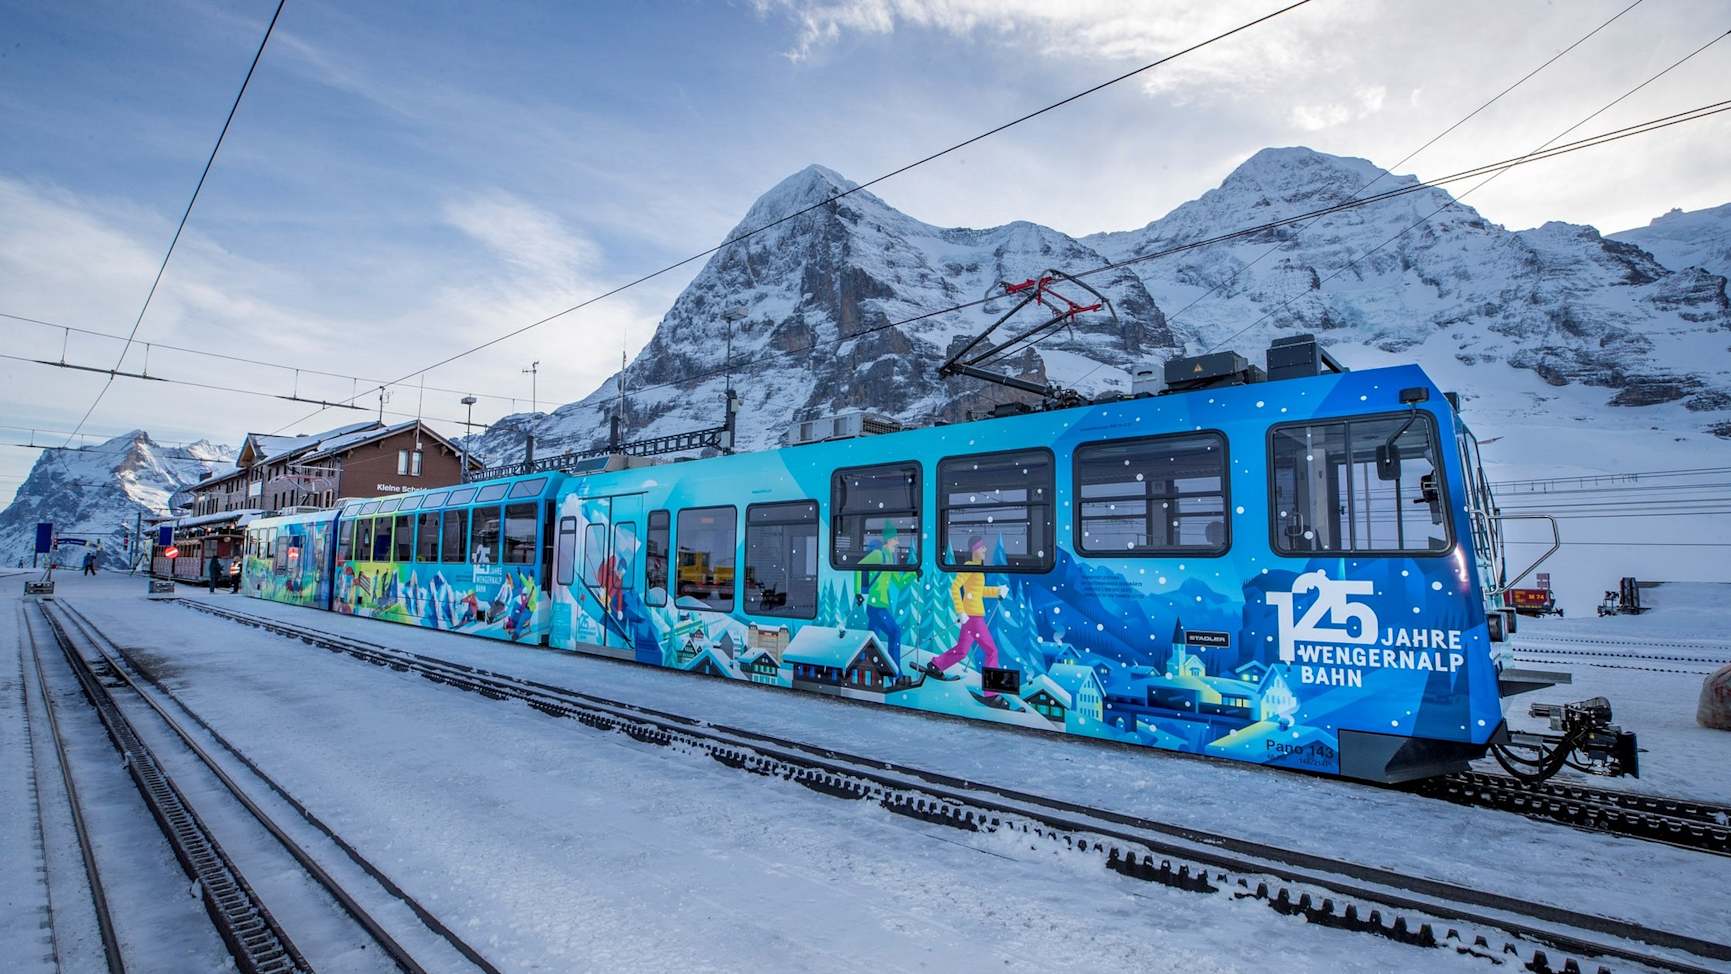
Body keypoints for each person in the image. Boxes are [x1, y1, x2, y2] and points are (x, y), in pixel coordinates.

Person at [925, 536, 1009, 706]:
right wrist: (961, 611)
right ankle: (991, 694)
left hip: (972, 616)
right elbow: (954, 587)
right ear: (974, 550)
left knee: (962, 650)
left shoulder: (977, 568)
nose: (985, 550)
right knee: (992, 652)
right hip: (973, 617)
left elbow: (978, 591)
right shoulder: (970, 567)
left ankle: (936, 665)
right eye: (982, 547)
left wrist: (997, 591)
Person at [854, 522, 916, 674]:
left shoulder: (891, 559)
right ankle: (894, 671)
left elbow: (899, 583)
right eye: (896, 539)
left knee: (870, 639)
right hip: (875, 606)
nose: (898, 542)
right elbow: (858, 567)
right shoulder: (878, 555)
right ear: (888, 540)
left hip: (880, 604)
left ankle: (861, 669)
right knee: (894, 632)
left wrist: (914, 573)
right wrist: (858, 592)